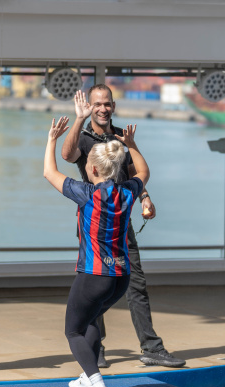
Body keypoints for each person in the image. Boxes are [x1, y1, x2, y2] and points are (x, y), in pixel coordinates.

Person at [61, 85, 185, 369]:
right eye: (97, 104)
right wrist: (78, 118)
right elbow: (67, 156)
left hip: (120, 219)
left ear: (113, 106)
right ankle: (97, 346)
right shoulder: (83, 137)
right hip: (93, 223)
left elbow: (135, 174)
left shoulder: (121, 137)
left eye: (107, 104)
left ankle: (151, 347)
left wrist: (145, 198)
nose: (103, 109)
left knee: (136, 283)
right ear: (90, 106)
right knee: (94, 285)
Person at [44, 115, 149, 387]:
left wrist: (52, 139)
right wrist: (132, 144)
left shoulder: (87, 194)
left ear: (91, 168)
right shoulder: (127, 192)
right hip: (121, 277)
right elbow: (143, 171)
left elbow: (49, 173)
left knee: (73, 330)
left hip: (94, 275)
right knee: (90, 319)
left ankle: (98, 385)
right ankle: (86, 375)